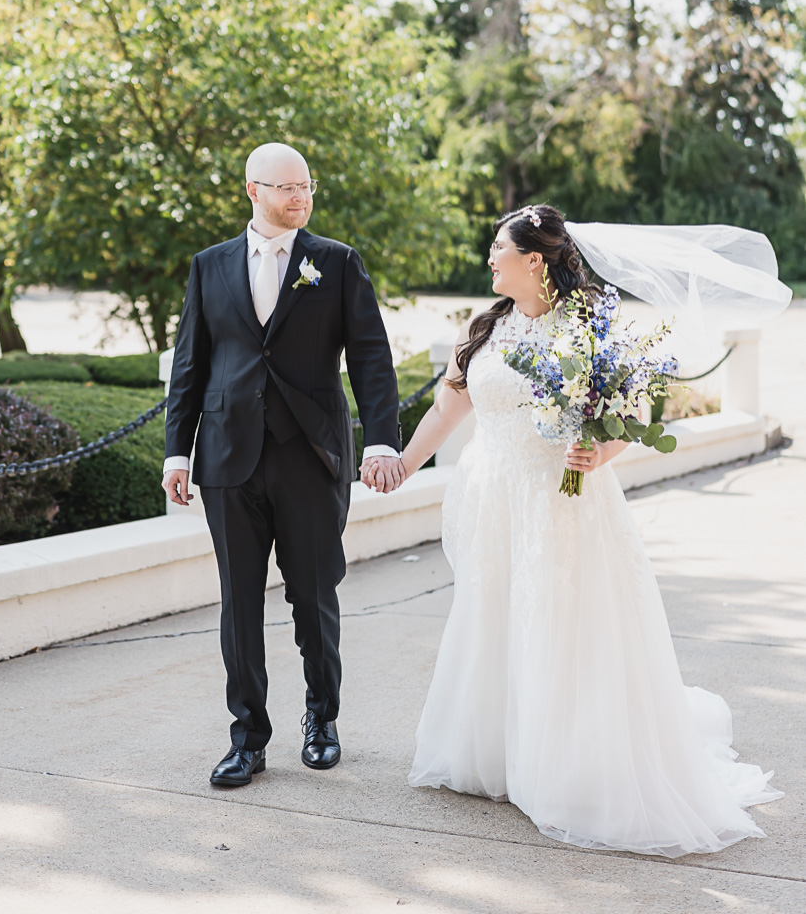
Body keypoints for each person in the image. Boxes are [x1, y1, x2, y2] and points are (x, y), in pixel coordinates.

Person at [363, 204, 783, 856]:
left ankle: (564, 767)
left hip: (562, 503)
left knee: (560, 622)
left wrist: (601, 452)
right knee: (494, 614)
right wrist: (402, 463)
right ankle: (500, 754)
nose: (490, 258)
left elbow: (629, 410)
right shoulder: (484, 326)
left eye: (499, 247)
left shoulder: (586, 326)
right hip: (494, 498)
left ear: (534, 260)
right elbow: (449, 407)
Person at [163, 143, 403, 787]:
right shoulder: (208, 267)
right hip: (226, 458)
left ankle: (322, 719)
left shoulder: (337, 263)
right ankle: (247, 739)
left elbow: (372, 359)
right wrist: (175, 451)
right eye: (287, 187)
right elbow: (190, 365)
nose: (301, 198)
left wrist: (382, 440)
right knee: (239, 602)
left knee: (313, 593)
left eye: (308, 186)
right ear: (253, 190)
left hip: (310, 454)